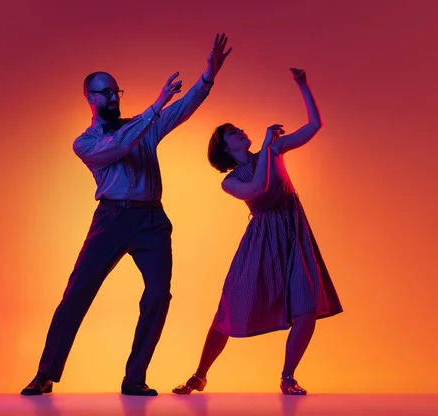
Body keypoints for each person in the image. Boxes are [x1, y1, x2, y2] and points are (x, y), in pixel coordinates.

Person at [21, 34, 232, 397]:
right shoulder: (85, 143)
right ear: (89, 97)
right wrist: (155, 107)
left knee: (157, 296)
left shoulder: (144, 126)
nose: (113, 97)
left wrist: (208, 77)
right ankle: (45, 374)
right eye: (106, 92)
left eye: (117, 91)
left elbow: (180, 110)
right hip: (111, 220)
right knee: (77, 294)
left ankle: (134, 378)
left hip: (151, 220)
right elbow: (119, 145)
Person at [172, 68, 343, 396]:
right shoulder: (230, 180)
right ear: (225, 149)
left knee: (306, 307)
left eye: (238, 128)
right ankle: (199, 374)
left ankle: (287, 377)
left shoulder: (273, 151)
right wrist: (266, 146)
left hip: (294, 232)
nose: (240, 131)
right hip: (262, 243)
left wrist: (304, 85)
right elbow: (259, 186)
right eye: (233, 133)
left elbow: (313, 126)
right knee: (229, 311)